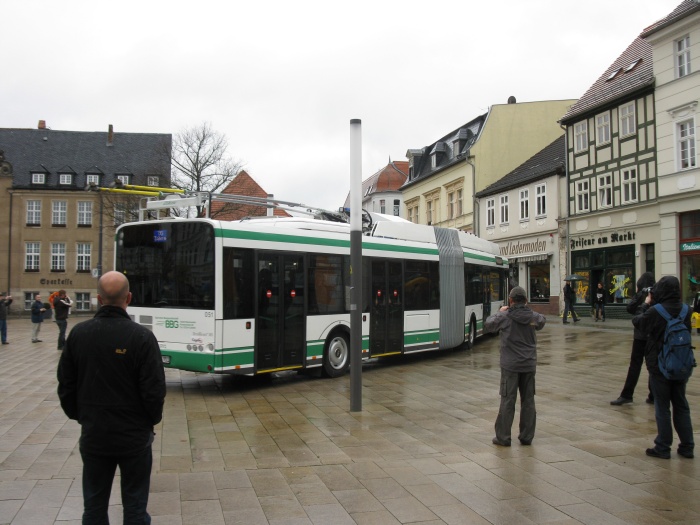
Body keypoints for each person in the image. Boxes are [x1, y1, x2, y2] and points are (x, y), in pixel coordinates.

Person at [57, 271, 166, 523]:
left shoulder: (79, 335)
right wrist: (149, 421)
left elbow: (66, 384)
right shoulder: (142, 337)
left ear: (98, 299)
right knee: (135, 507)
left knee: (94, 506)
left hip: (95, 433)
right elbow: (154, 389)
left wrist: (82, 416)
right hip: (134, 435)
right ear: (128, 298)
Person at [632, 275, 694, 459]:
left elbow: (638, 322)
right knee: (681, 404)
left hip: (660, 364)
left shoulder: (656, 311)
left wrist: (646, 304)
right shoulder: (686, 310)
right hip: (682, 363)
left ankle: (663, 446)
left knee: (662, 405)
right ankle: (687, 446)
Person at [485, 286, 546, 446]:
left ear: (510, 300)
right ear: (526, 300)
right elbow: (542, 321)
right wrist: (527, 311)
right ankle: (526, 436)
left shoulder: (504, 316)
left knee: (507, 400)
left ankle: (503, 437)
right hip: (528, 365)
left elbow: (489, 324)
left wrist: (500, 311)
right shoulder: (533, 317)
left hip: (510, 366)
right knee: (528, 400)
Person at [610, 272, 655, 406]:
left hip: (643, 336)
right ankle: (652, 395)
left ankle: (628, 395)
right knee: (651, 366)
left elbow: (630, 308)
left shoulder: (646, 294)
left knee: (637, 366)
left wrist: (639, 295)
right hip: (650, 336)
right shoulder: (652, 294)